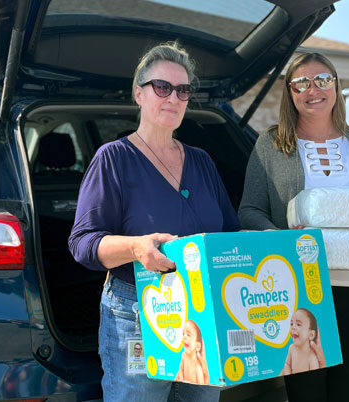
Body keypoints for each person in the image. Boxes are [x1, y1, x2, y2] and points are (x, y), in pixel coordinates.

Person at [69, 41, 240, 402]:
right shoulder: (114, 160)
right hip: (138, 313)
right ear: (139, 94)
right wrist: (135, 247)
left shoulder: (202, 162)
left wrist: (277, 242)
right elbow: (83, 243)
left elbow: (230, 232)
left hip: (203, 315)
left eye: (183, 90)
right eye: (162, 87)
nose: (173, 98)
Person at [238, 52, 349, 402]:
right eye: (302, 83)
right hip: (302, 297)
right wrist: (276, 238)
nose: (314, 90)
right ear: (290, 92)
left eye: (323, 80)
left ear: (336, 86)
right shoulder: (272, 145)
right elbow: (249, 210)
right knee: (306, 396)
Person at [282, 308, 321, 375]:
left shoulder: (311, 358)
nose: (293, 327)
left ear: (311, 335)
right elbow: (287, 365)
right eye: (291, 324)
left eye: (298, 324)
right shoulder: (291, 348)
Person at [175, 320, 210, 385]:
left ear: (198, 346)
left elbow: (201, 386)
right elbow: (180, 369)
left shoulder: (197, 366)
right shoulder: (184, 355)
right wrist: (181, 379)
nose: (184, 337)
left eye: (188, 335)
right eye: (183, 333)